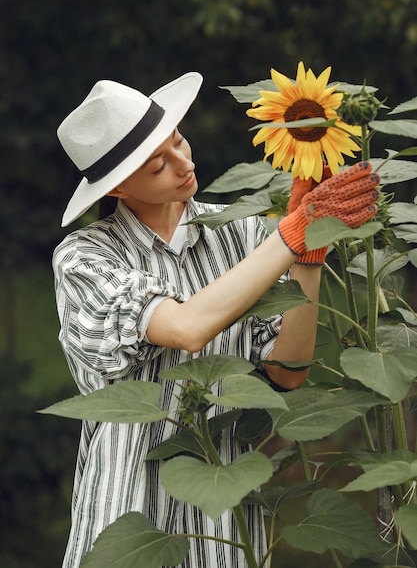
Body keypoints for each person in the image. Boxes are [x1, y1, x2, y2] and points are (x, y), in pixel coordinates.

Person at [53, 71, 380, 568]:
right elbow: (184, 328)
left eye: (179, 140)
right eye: (159, 164)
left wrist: (307, 259)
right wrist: (291, 235)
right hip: (130, 505)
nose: (184, 164)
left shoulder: (243, 234)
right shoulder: (84, 257)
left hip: (225, 515)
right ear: (118, 187)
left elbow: (288, 372)